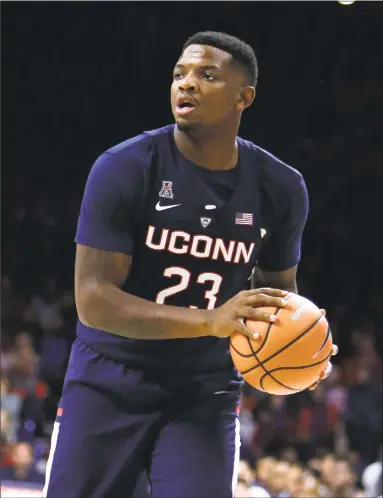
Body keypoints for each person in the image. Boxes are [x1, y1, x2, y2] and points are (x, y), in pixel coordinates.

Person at [43, 31, 337, 498]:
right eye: (179, 74)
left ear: (244, 97)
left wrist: (306, 352)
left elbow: (278, 296)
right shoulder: (124, 167)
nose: (187, 84)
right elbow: (93, 301)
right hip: (108, 379)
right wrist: (211, 321)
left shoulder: (281, 187)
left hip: (204, 391)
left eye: (206, 75)